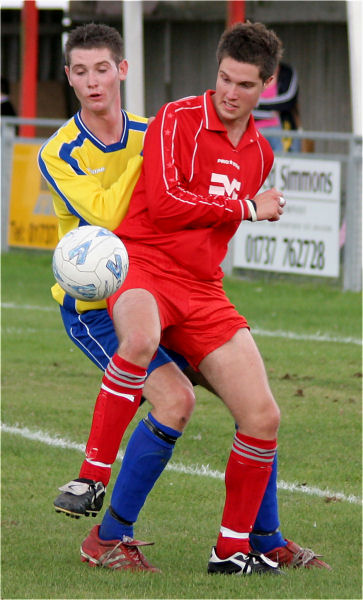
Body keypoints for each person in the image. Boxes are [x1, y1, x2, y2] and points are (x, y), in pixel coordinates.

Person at [39, 23, 330, 573]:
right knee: (172, 394)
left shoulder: (174, 133)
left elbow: (200, 226)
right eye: (81, 70)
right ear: (70, 78)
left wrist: (228, 208)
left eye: (102, 68)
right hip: (115, 287)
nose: (93, 80)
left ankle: (252, 543)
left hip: (199, 290)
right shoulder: (140, 131)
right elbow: (150, 208)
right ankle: (97, 501)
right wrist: (245, 207)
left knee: (261, 413)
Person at [253, 61, 302, 152]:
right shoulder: (251, 71)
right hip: (255, 132)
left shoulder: (286, 72)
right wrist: (271, 113)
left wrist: (258, 104)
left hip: (282, 131)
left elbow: (288, 101)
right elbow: (246, 104)